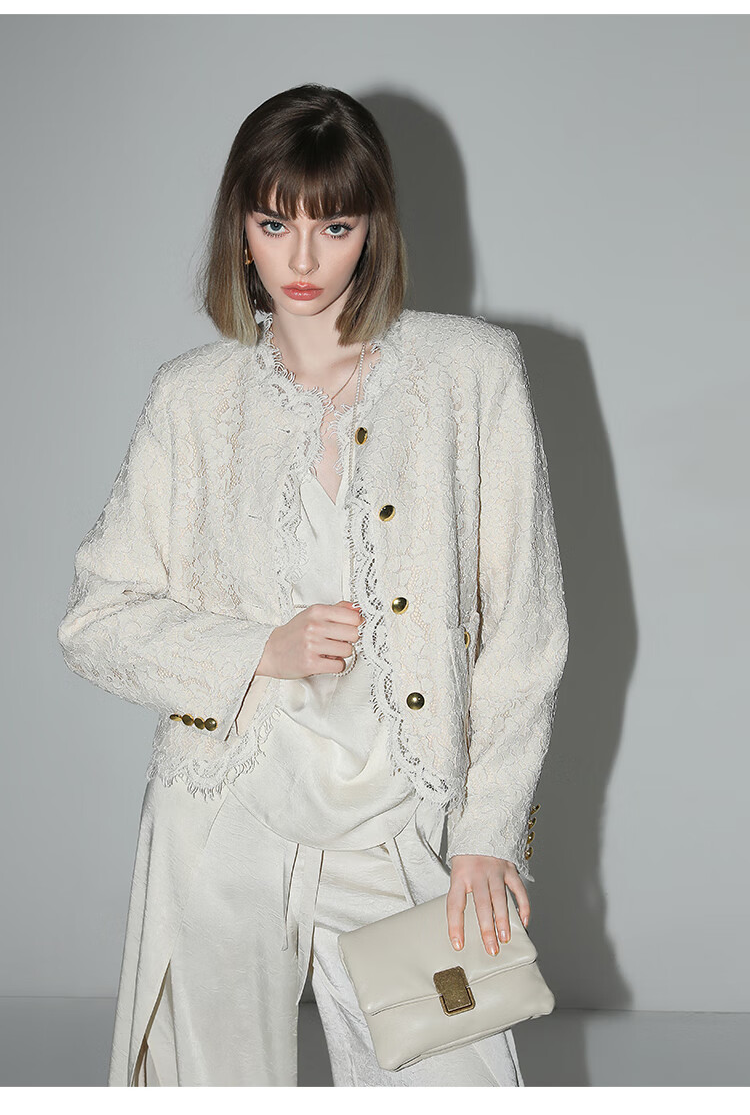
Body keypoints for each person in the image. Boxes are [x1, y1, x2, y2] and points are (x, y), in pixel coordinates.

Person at [57, 82, 569, 1086]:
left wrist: (488, 833)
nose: (302, 259)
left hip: (400, 819)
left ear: (373, 229)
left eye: (335, 226)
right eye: (273, 223)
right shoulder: (192, 400)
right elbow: (96, 621)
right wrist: (259, 649)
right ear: (238, 229)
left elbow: (525, 628)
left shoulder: (471, 375)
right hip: (227, 816)